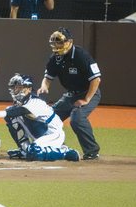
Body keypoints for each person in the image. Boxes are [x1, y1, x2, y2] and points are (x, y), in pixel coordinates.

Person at [37, 27, 102, 160]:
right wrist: (44, 86)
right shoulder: (55, 58)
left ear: (69, 42)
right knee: (48, 118)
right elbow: (48, 77)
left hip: (89, 92)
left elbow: (96, 79)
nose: (57, 45)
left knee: (77, 119)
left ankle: (92, 151)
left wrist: (87, 99)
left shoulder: (80, 55)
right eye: (55, 42)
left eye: (60, 42)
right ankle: (57, 147)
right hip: (71, 95)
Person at [0, 74, 80, 161]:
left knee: (34, 152)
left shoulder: (35, 101)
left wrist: (0, 113)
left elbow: (23, 110)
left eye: (20, 87)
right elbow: (14, 112)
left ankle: (66, 152)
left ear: (29, 89)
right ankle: (24, 150)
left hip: (53, 134)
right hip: (40, 134)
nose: (16, 90)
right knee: (10, 116)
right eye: (15, 88)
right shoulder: (20, 104)